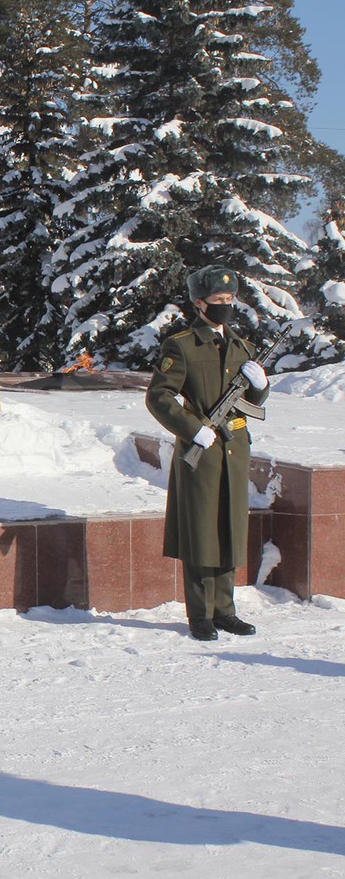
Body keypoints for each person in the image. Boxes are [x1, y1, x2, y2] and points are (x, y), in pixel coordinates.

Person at [145, 265, 269, 641]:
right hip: (202, 449)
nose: (226, 305)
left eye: (230, 299)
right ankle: (200, 614)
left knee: (230, 529)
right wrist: (193, 429)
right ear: (199, 303)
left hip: (235, 449)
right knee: (201, 532)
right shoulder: (182, 345)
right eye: (218, 300)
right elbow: (158, 396)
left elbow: (251, 401)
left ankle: (225, 610)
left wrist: (260, 386)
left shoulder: (242, 347)